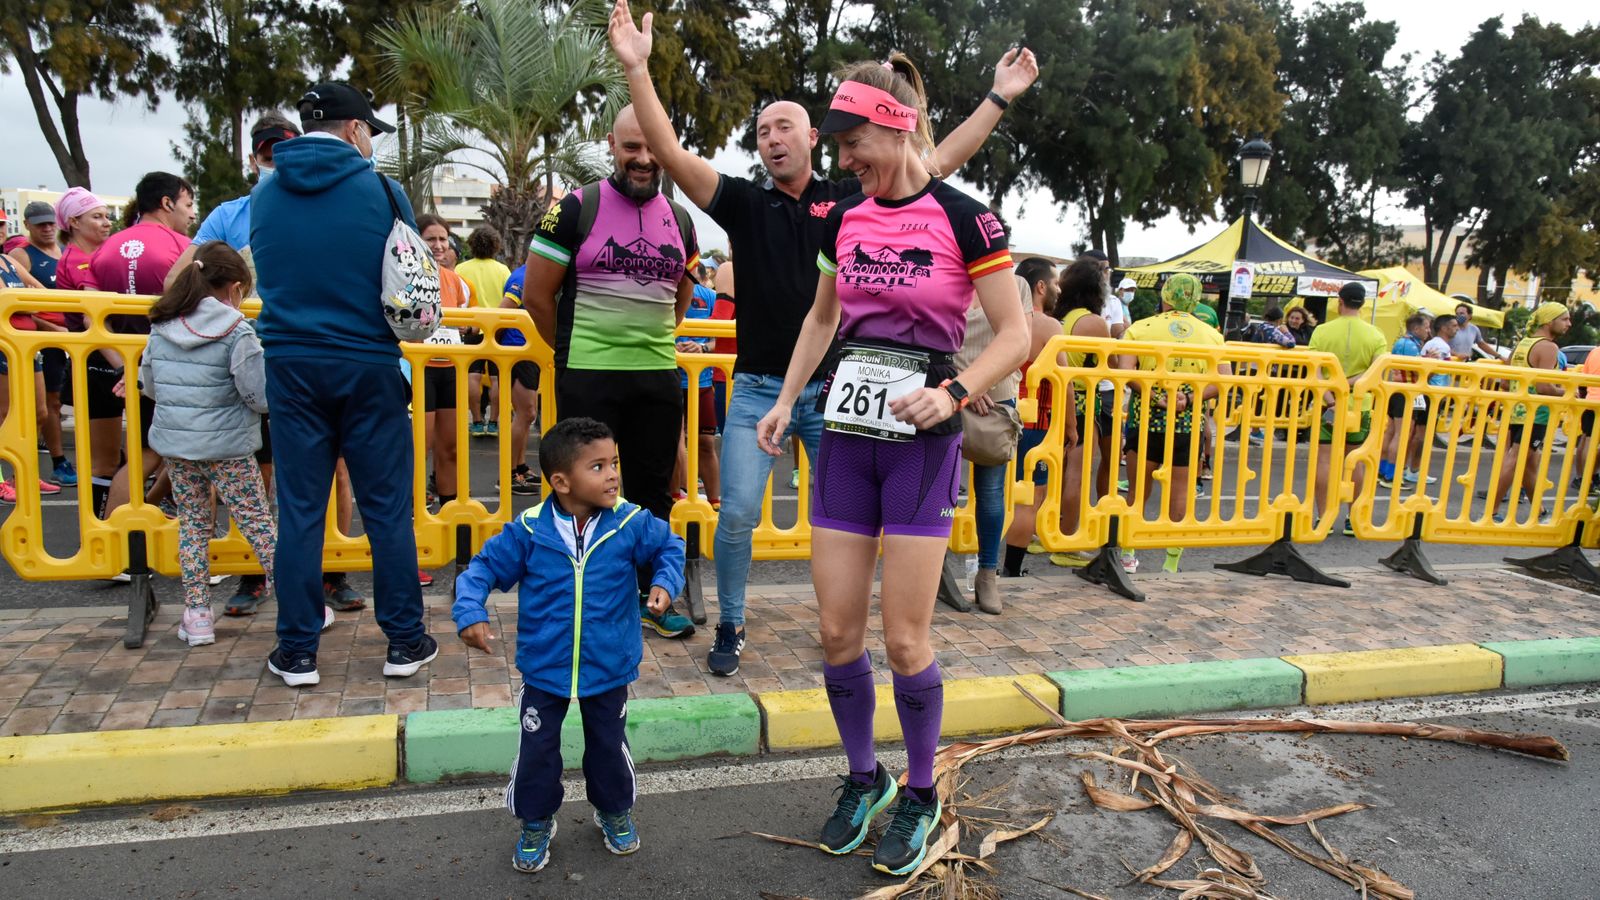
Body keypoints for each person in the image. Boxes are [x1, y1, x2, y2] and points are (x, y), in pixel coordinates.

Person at [610, 0, 1038, 677]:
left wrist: (997, 98)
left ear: (814, 137)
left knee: (867, 557)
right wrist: (638, 68)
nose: (771, 137)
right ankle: (733, 622)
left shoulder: (852, 197)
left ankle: (856, 631)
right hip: (763, 389)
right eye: (761, 131)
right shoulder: (744, 203)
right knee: (740, 514)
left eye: (785, 126)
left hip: (844, 395)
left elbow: (936, 161)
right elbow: (668, 150)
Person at [754, 55, 1027, 876]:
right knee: (838, 632)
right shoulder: (846, 219)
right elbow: (821, 317)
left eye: (851, 141)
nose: (842, 160)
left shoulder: (967, 220)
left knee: (905, 640)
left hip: (922, 445)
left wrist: (955, 393)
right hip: (845, 435)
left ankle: (918, 790)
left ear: (895, 123)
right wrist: (784, 399)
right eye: (835, 147)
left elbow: (1013, 336)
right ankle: (862, 778)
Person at [250, 81, 435, 687]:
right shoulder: (382, 190)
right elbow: (410, 274)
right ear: (355, 130)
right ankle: (405, 641)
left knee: (299, 511)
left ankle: (296, 650)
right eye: (370, 132)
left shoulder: (266, 194)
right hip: (367, 364)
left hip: (291, 367)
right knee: (387, 512)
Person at [451, 417, 685, 874]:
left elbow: (670, 547)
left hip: (609, 665)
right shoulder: (529, 530)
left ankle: (614, 810)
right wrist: (470, 611)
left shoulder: (630, 522)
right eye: (597, 466)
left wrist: (664, 582)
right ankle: (536, 821)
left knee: (608, 746)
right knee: (537, 752)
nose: (613, 474)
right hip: (545, 667)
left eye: (614, 462)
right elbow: (481, 569)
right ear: (561, 482)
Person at [521, 104, 700, 640]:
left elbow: (682, 293)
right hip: (589, 375)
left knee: (651, 494)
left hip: (656, 376)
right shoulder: (576, 208)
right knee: (581, 493)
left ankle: (655, 598)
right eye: (631, 148)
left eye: (652, 148)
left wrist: (647, 342)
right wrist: (576, 352)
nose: (643, 159)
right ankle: (586, 602)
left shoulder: (682, 218)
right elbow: (536, 294)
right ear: (611, 145)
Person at [137, 242, 300, 647]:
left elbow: (151, 386)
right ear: (234, 287)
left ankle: (196, 617)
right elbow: (258, 397)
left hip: (177, 444)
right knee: (260, 526)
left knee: (193, 525)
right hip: (229, 446)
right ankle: (300, 605)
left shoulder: (161, 326)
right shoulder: (236, 330)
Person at [84, 172, 197, 524]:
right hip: (175, 364)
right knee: (160, 454)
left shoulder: (106, 247)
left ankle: (127, 529)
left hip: (126, 364)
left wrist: (123, 366)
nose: (192, 214)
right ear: (167, 203)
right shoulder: (181, 247)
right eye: (189, 204)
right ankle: (122, 538)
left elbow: (92, 319)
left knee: (160, 453)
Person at [1114, 273, 1227, 574]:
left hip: (1145, 419)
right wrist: (1188, 399)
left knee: (1138, 490)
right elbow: (1224, 381)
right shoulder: (1211, 335)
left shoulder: (1140, 328)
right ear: (1196, 300)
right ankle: (1171, 563)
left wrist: (1154, 394)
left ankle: (1128, 553)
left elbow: (1128, 372)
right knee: (1180, 493)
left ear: (1164, 297)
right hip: (1188, 426)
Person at [953, 248, 1031, 614]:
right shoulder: (945, 277)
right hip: (945, 396)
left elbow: (1019, 344)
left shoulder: (1017, 286)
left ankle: (987, 574)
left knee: (990, 493)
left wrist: (978, 382)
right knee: (936, 491)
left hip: (996, 402)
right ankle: (935, 573)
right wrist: (964, 386)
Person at [168, 113, 302, 281]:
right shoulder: (226, 217)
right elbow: (174, 280)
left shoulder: (320, 210)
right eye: (268, 159)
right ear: (253, 163)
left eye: (285, 158)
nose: (278, 167)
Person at [1308, 282, 1387, 536]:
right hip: (1360, 407)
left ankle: (1324, 518)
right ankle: (1353, 520)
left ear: (1339, 301)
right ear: (1362, 304)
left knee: (1324, 460)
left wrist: (1331, 394)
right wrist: (1350, 384)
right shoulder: (1376, 335)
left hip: (1326, 404)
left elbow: (1314, 370)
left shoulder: (1322, 331)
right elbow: (1376, 372)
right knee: (1355, 462)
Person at [1047, 260, 1111, 570]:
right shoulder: (1092, 322)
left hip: (1053, 400)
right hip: (1083, 403)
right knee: (1076, 472)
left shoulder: (1056, 318)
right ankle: (1067, 541)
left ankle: (1041, 533)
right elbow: (1108, 364)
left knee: (1052, 472)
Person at [1002, 258, 1061, 577]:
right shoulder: (1050, 327)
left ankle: (984, 564)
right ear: (1040, 287)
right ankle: (1011, 569)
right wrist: (1072, 427)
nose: (1058, 289)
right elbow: (1062, 379)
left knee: (994, 492)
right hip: (1037, 420)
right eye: (1055, 283)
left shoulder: (1003, 318)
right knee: (1029, 497)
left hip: (1002, 412)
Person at [1491, 302, 1571, 519]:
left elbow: (1505, 382)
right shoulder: (1548, 347)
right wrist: (1567, 392)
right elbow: (1545, 387)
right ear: (1548, 321)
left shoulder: (1523, 344)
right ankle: (1493, 510)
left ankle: (1539, 510)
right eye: (1564, 319)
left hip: (1516, 410)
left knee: (1530, 463)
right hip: (1536, 413)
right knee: (1516, 458)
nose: (1569, 324)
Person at [417, 214, 474, 512]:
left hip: (451, 368)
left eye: (442, 239)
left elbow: (473, 322)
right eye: (431, 239)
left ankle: (450, 516)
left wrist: (468, 328)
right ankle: (412, 512)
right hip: (417, 369)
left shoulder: (458, 282)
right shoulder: (403, 274)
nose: (438, 245)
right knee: (419, 447)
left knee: (450, 448)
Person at [0, 251, 55, 505]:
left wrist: (27, 300)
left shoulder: (8, 260)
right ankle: (1, 480)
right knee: (4, 415)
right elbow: (17, 301)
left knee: (39, 412)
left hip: (27, 346)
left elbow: (41, 294)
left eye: (2, 225)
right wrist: (28, 299)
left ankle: (23, 475)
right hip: (4, 347)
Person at [458, 226, 512, 440]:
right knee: (497, 378)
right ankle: (495, 422)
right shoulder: (502, 270)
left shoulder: (461, 269)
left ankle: (477, 422)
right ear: (495, 245)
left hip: (472, 326)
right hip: (497, 328)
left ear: (471, 244)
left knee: (473, 375)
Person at [672, 277, 721, 507]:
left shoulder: (708, 296)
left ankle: (715, 503)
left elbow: (721, 339)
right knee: (673, 443)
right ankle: (678, 499)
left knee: (705, 443)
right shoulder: (663, 289)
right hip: (669, 378)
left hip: (701, 382)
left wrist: (702, 347)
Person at [497, 263, 544, 495]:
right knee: (525, 413)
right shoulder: (524, 276)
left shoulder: (536, 273)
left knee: (528, 415)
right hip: (517, 350)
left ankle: (521, 467)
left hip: (529, 351)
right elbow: (503, 311)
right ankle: (507, 473)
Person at [1378, 313, 1434, 488]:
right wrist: (1430, 363)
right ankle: (1392, 476)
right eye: (1426, 327)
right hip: (1406, 393)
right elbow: (1417, 372)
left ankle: (1383, 471)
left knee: (1391, 433)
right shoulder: (1410, 345)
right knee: (1401, 435)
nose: (1428, 331)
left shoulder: (1403, 342)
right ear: (1416, 329)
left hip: (1396, 391)